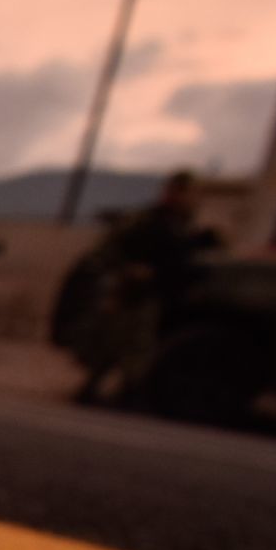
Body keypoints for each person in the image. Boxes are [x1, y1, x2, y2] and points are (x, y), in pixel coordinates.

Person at [69, 170, 222, 404]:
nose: (193, 200)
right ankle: (106, 390)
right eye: (189, 193)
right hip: (128, 293)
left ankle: (123, 392)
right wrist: (128, 270)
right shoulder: (146, 220)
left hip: (155, 295)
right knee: (115, 343)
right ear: (173, 192)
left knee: (135, 347)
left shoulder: (182, 227)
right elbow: (108, 251)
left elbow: (180, 260)